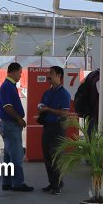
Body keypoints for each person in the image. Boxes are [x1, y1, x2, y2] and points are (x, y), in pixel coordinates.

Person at [0, 62, 33, 192]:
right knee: (17, 157)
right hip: (11, 125)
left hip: (8, 125)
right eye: (19, 73)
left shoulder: (9, 86)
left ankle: (7, 182)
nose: (20, 75)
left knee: (8, 157)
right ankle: (17, 183)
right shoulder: (8, 87)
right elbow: (7, 106)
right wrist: (19, 119)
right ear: (12, 72)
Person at [37, 65, 71, 194]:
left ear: (59, 76)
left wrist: (48, 109)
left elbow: (65, 113)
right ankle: (52, 183)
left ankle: (58, 185)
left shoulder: (64, 94)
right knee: (47, 156)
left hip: (58, 128)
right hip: (47, 127)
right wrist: (41, 108)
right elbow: (42, 105)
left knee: (56, 157)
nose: (48, 76)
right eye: (48, 73)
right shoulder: (47, 92)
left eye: (51, 73)